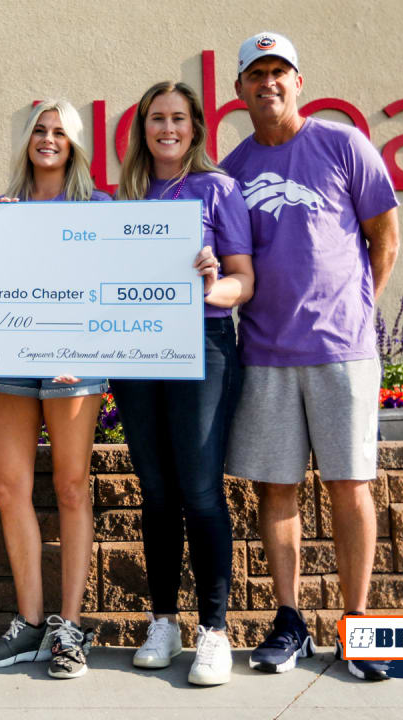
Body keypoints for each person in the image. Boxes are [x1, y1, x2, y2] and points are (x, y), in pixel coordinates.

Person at [221, 32, 400, 682]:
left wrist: (359, 307)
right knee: (278, 489)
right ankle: (290, 620)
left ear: (299, 82)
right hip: (265, 353)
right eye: (256, 74)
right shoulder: (233, 169)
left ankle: (358, 625)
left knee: (350, 486)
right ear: (239, 91)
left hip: (342, 354)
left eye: (280, 72)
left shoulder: (343, 145)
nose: (268, 83)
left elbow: (385, 234)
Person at [111, 81, 255, 686]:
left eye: (178, 119)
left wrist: (208, 284)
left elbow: (243, 283)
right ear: (142, 128)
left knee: (199, 491)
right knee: (156, 492)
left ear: (195, 126)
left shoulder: (219, 188)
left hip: (203, 345)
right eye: (156, 119)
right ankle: (164, 621)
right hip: (137, 350)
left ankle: (215, 632)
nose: (167, 129)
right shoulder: (123, 196)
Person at [0, 100, 109, 680]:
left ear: (74, 143)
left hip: (75, 359)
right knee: (9, 486)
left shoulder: (97, 207)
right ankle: (28, 625)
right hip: (12, 354)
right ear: (25, 138)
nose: (47, 140)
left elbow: (112, 282)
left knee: (72, 486)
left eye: (59, 132)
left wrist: (92, 348)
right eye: (38, 131)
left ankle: (69, 628)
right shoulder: (6, 208)